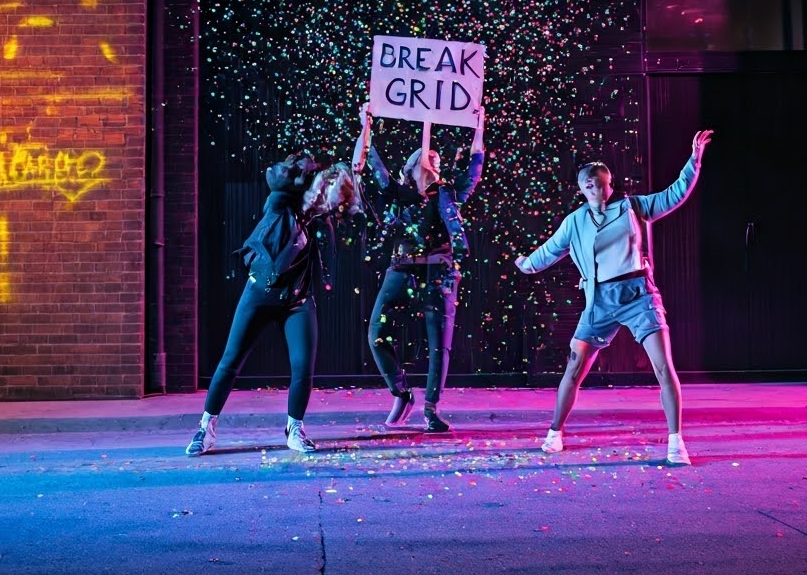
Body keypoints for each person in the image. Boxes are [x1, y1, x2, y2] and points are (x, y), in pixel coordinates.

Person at [514, 130, 713, 465]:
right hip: (600, 302)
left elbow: (674, 195)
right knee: (574, 369)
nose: (594, 188)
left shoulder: (632, 207)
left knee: (663, 367)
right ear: (581, 189)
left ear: (610, 183)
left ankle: (676, 442)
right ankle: (555, 433)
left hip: (639, 296)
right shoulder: (574, 222)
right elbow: (548, 252)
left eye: (599, 182)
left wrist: (694, 160)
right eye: (587, 184)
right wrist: (525, 265)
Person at [185, 154, 362, 456]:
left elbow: (351, 195)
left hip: (298, 301)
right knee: (230, 362)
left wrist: (360, 142)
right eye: (323, 186)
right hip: (260, 295)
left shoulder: (317, 219)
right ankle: (206, 428)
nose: (329, 193)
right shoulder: (280, 204)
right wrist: (307, 167)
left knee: (302, 366)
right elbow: (276, 177)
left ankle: (294, 428)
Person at [353, 103, 485, 432]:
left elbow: (475, 168)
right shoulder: (398, 194)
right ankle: (401, 392)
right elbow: (372, 165)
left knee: (439, 341)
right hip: (403, 265)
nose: (434, 161)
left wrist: (479, 128)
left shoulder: (448, 194)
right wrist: (365, 126)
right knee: (376, 334)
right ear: (412, 167)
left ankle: (430, 409)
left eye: (438, 160)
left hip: (439, 269)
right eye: (428, 158)